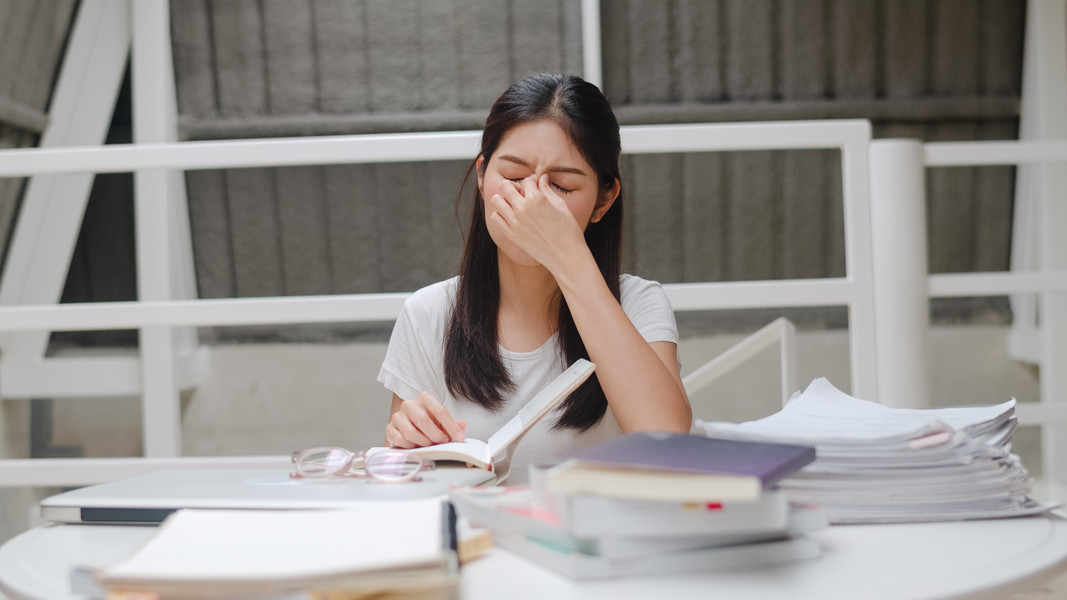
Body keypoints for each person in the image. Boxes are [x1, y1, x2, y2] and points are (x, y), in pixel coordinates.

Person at [377, 73, 691, 484]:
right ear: (482, 176)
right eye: (513, 177)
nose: (533, 202)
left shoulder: (637, 303)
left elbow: (666, 440)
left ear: (603, 200)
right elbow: (405, 485)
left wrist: (568, 257)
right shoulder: (428, 313)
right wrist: (407, 441)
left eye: (561, 186)